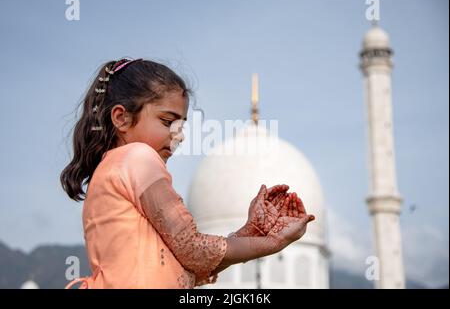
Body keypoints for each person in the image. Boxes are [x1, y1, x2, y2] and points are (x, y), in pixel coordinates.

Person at [61, 58, 315, 289]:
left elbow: (189, 267)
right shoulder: (138, 157)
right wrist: (272, 243)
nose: (179, 136)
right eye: (167, 122)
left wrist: (251, 232)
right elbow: (192, 249)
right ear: (121, 118)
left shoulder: (108, 170)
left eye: (181, 126)